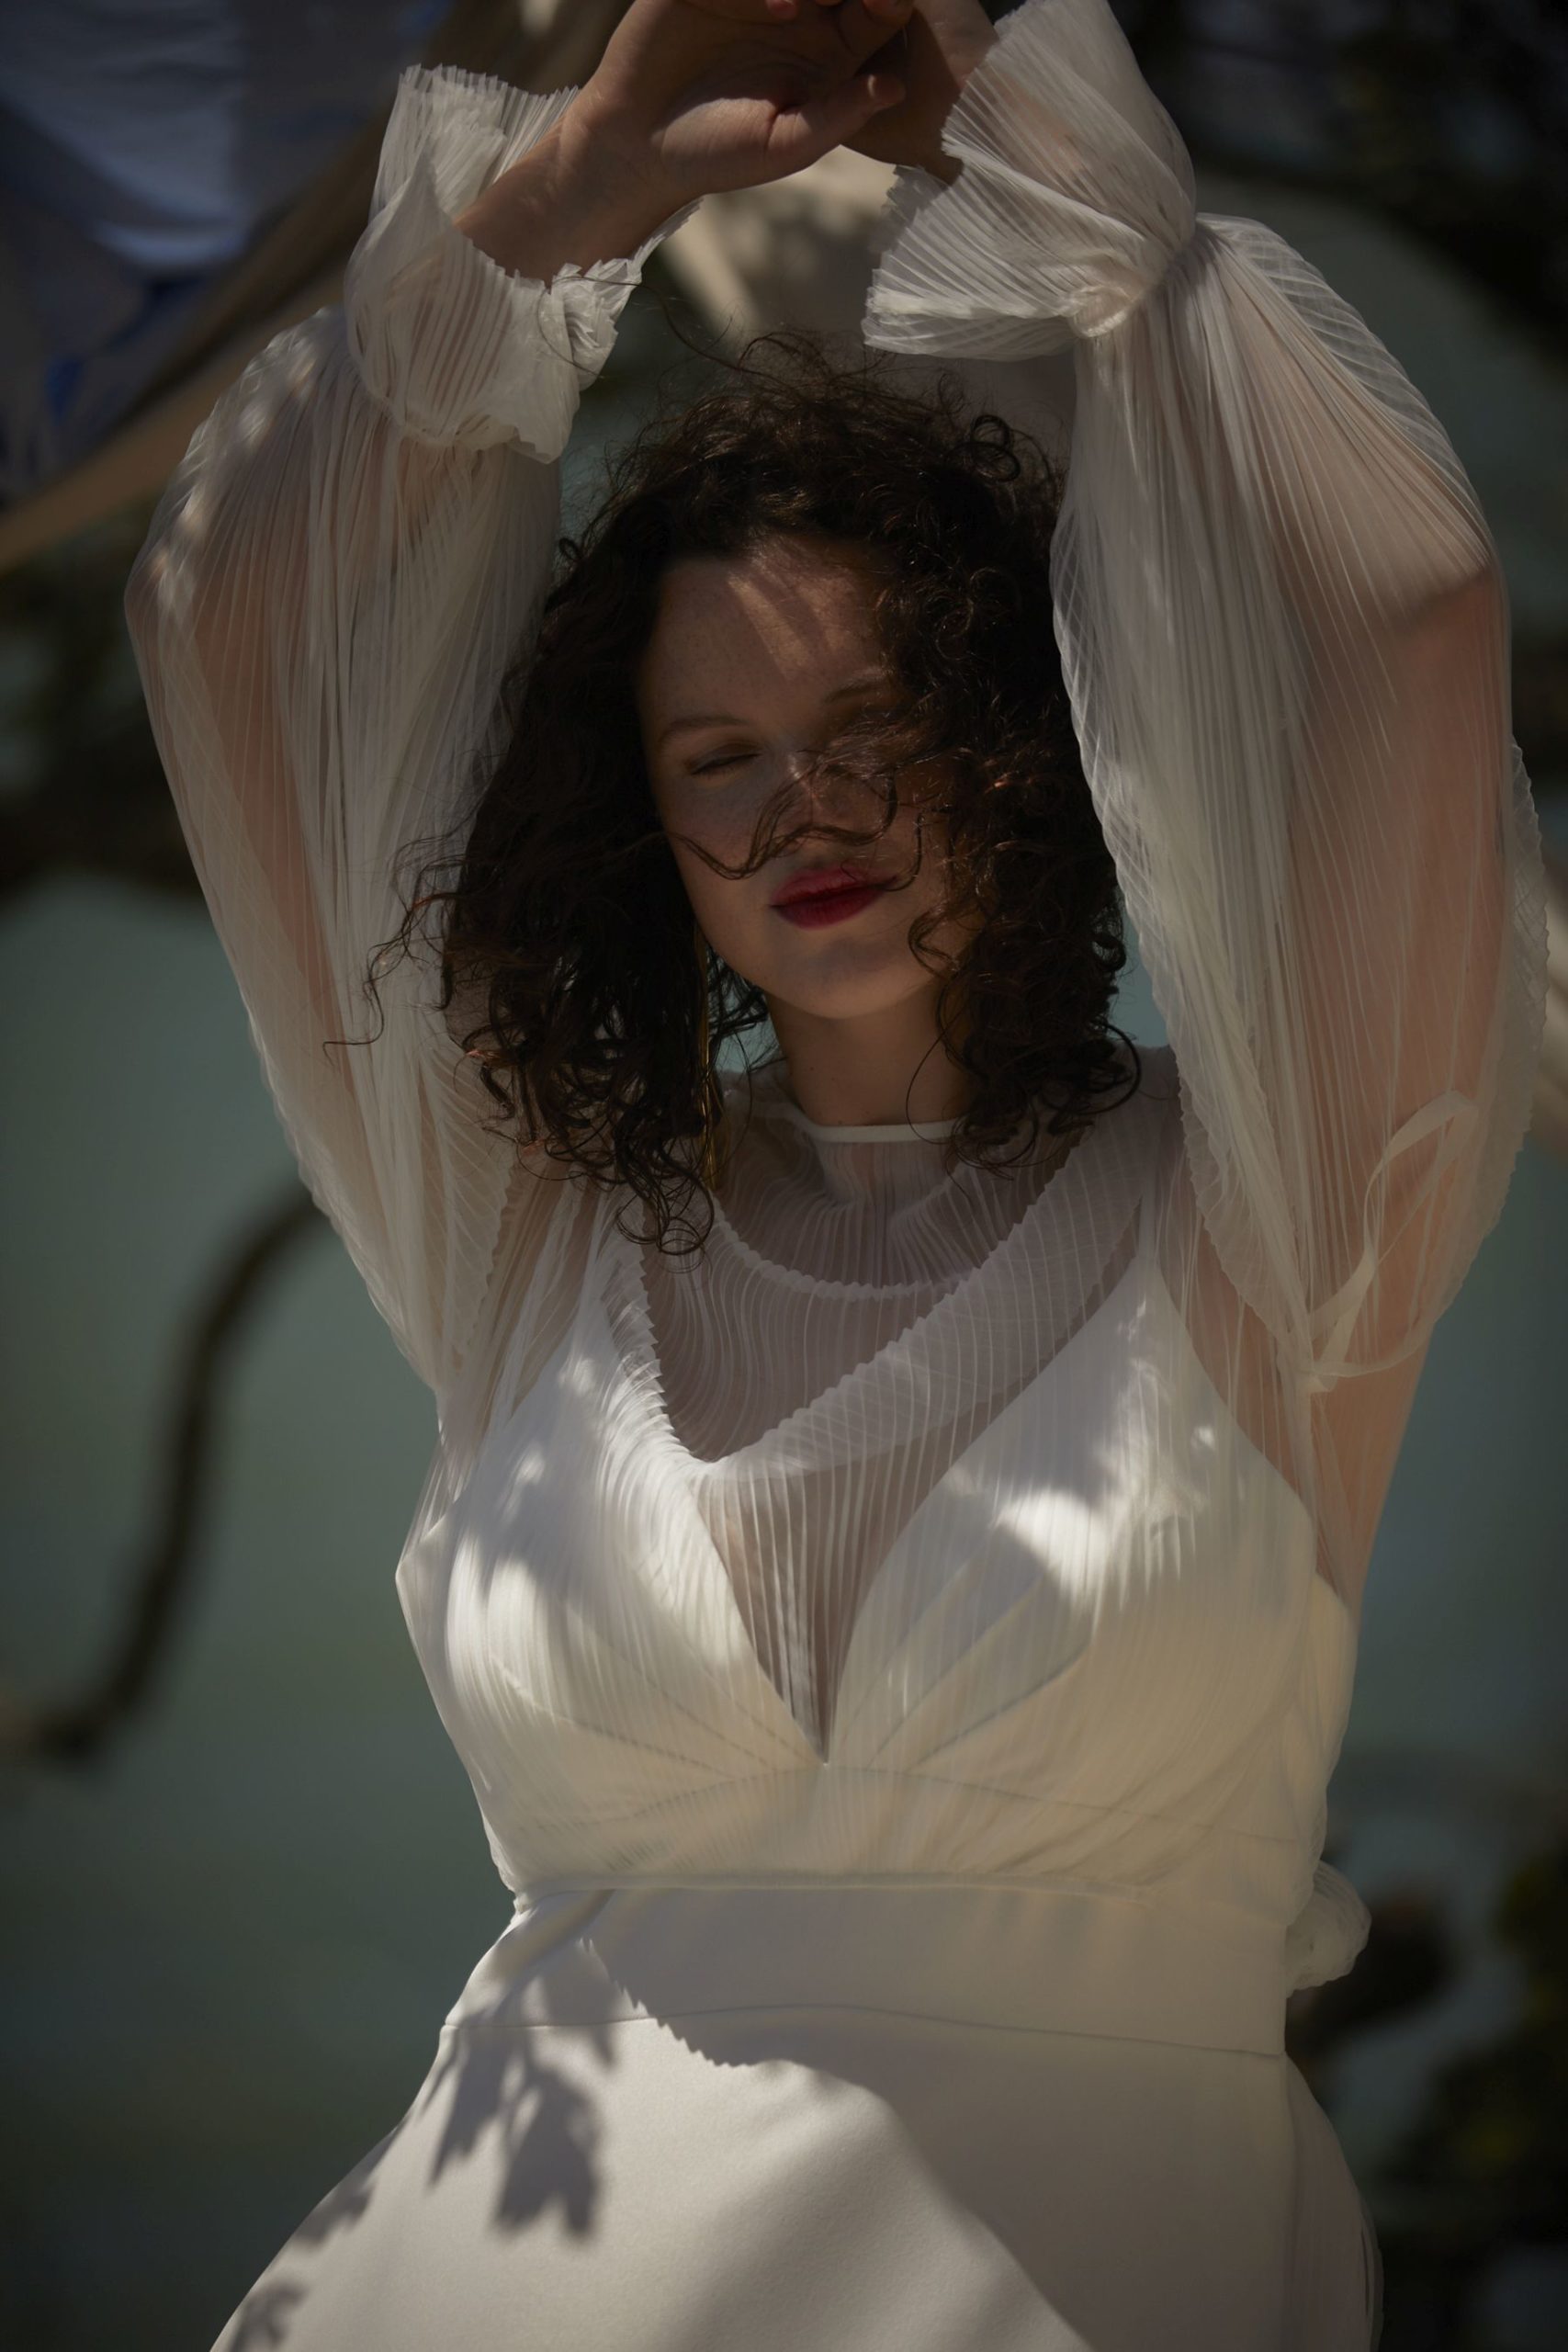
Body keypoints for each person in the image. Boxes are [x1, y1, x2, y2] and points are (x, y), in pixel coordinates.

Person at [124, 0, 1547, 2345]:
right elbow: (227, 621)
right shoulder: (528, 1221)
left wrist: (1070, 181)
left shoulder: (1273, 1221)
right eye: (720, 752)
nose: (805, 807)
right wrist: (562, 192)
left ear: (1019, 740)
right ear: (638, 824)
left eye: (875, 722)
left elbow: (1402, 622)